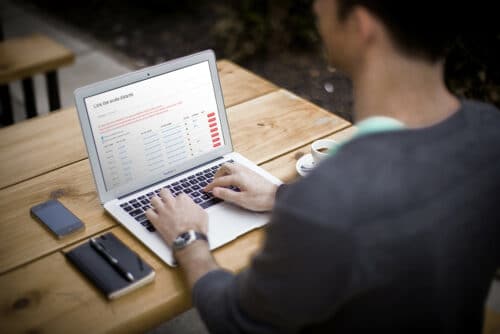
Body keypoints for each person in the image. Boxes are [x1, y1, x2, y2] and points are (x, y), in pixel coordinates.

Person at [145, 0, 500, 332]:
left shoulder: (331, 200)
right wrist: (281, 195)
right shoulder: (490, 133)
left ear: (362, 25)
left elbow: (234, 320)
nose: (315, 5)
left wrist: (189, 240)